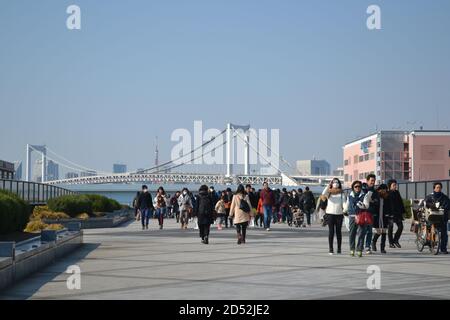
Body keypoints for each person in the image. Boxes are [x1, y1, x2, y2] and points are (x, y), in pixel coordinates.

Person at [343, 181, 370, 257]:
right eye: (356, 186)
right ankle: (352, 249)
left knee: (361, 233)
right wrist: (344, 211)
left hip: (361, 216)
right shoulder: (350, 195)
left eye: (359, 186)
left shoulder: (364, 195)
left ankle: (359, 249)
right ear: (353, 187)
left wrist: (362, 205)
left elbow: (367, 205)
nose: (357, 188)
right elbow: (347, 205)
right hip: (352, 216)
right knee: (352, 233)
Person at [423, 182, 449, 254]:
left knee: (444, 233)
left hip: (442, 218)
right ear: (434, 188)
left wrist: (443, 207)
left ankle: (443, 249)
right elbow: (425, 203)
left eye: (440, 187)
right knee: (429, 229)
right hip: (432, 217)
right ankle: (429, 243)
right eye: (437, 187)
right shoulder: (429, 197)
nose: (438, 189)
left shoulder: (444, 197)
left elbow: (447, 205)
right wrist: (431, 206)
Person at [322, 178, 345, 255]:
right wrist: (328, 185)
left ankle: (339, 248)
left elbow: (344, 202)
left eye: (337, 182)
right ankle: (331, 249)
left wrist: (345, 210)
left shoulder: (342, 193)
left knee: (339, 232)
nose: (335, 183)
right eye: (334, 182)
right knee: (331, 232)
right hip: (330, 214)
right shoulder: (329, 192)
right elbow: (323, 194)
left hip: (339, 214)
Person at [362, 174, 379, 254]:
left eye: (374, 181)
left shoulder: (375, 191)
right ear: (367, 181)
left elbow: (377, 202)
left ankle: (367, 246)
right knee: (362, 231)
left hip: (370, 213)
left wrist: (372, 201)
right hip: (361, 213)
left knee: (369, 231)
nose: (373, 182)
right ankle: (360, 245)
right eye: (371, 180)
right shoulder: (362, 189)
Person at [372, 184, 391, 254]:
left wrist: (389, 215)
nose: (383, 191)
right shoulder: (375, 196)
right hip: (377, 217)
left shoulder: (387, 197)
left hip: (384, 217)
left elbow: (389, 207)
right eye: (382, 189)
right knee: (378, 232)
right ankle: (373, 242)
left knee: (384, 233)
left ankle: (382, 248)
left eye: (385, 189)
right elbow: (373, 206)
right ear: (379, 190)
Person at [387, 179, 406, 249]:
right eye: (393, 185)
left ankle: (396, 240)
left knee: (401, 227)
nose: (395, 186)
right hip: (390, 214)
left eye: (395, 185)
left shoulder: (397, 192)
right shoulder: (387, 193)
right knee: (390, 228)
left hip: (398, 214)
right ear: (390, 186)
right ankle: (391, 243)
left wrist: (403, 212)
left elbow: (400, 202)